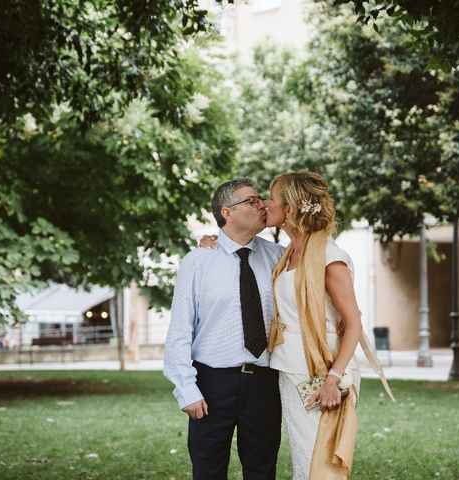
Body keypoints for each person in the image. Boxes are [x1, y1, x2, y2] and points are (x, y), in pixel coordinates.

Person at [200, 171, 393, 479]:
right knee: (304, 458)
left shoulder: (330, 256)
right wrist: (214, 241)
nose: (265, 204)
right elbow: (237, 249)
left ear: (290, 207)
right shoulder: (286, 253)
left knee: (320, 463)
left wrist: (334, 378)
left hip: (322, 369)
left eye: (271, 198)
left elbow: (354, 321)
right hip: (288, 368)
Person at [164, 178, 285, 480]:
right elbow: (180, 330)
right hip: (211, 383)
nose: (262, 204)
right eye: (252, 200)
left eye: (261, 199)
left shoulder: (279, 257)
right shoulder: (197, 261)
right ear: (226, 212)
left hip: (265, 382)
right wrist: (186, 390)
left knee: (262, 471)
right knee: (208, 471)